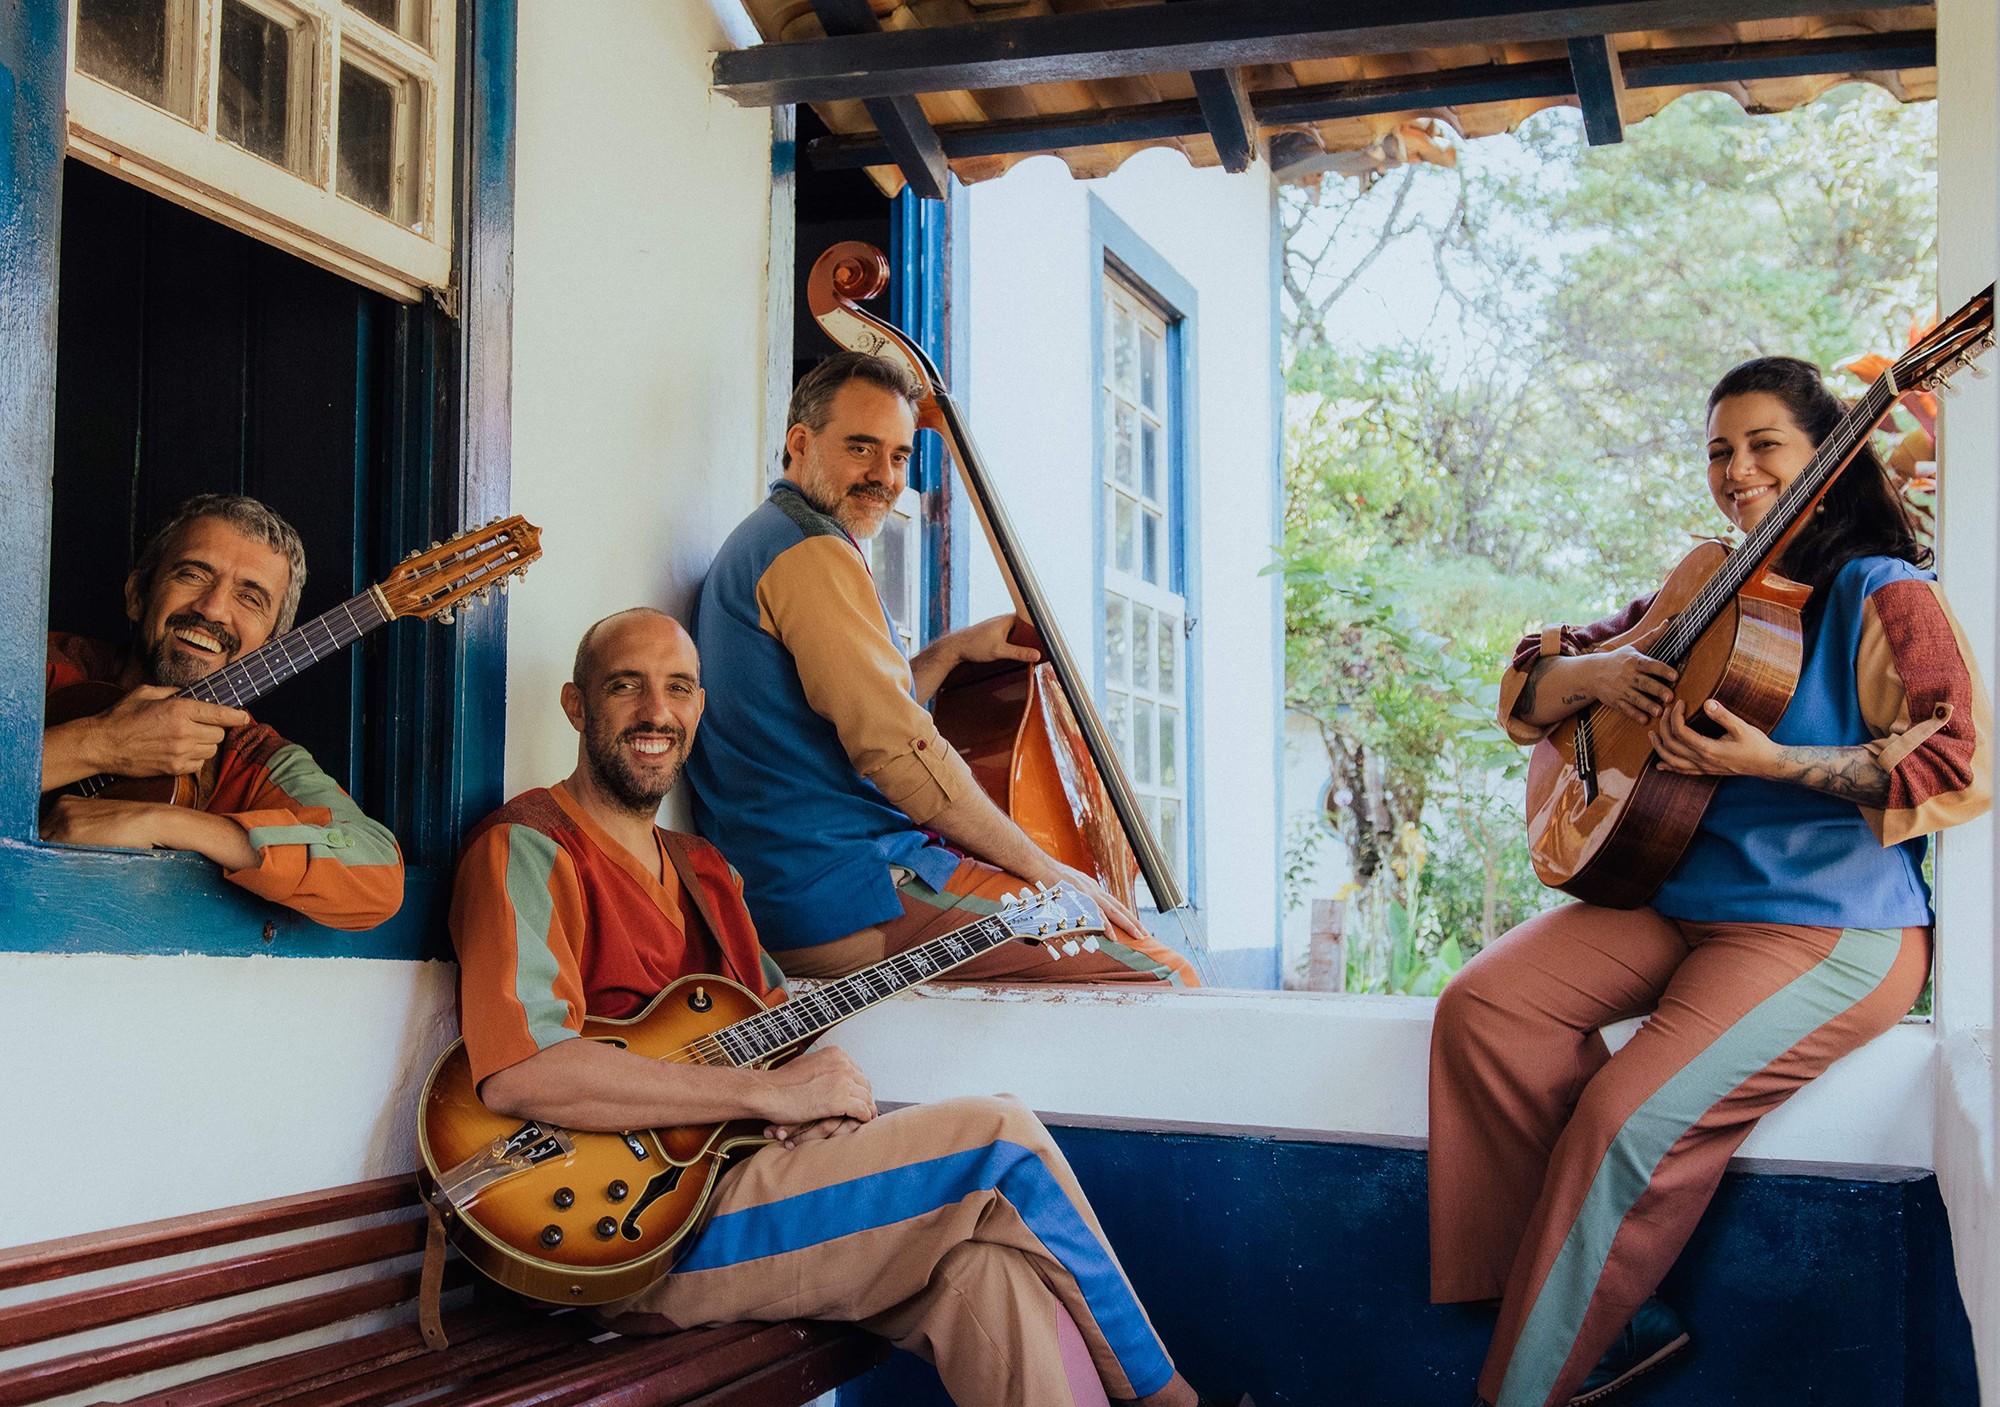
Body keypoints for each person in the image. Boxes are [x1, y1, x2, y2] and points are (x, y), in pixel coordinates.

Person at [447, 608, 1245, 1407]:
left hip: (744, 1182)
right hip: (628, 1237)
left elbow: (770, 1039)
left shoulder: (705, 870)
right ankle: (1171, 1399)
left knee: (989, 1274)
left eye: (680, 688)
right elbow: (524, 1073)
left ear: (697, 709)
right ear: (577, 707)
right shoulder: (528, 847)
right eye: (627, 686)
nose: (657, 710)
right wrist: (766, 1094)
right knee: (1002, 1136)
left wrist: (808, 1090)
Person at [1429, 356, 1991, 1407]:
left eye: (1761, 444)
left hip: (1824, 931)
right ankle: (1607, 1315)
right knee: (1483, 1008)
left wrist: (1770, 764)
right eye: (1717, 451)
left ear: (1825, 455)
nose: (1735, 470)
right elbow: (1529, 683)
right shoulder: (1701, 584)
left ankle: (1524, 1385)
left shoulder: (1885, 591)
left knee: (1621, 1123)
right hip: (1672, 902)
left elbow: (1951, 762)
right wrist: (1589, 676)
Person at [687, 351, 1197, 986]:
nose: (885, 476)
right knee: (1167, 975)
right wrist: (1046, 869)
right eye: (860, 448)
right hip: (848, 888)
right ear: (800, 443)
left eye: (900, 456)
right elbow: (898, 750)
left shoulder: (770, 540)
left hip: (801, 882)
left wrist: (947, 653)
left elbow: (844, 721)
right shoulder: (810, 552)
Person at [39, 494, 403, 931]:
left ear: (271, 648)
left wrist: (165, 821)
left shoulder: (255, 759)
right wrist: (102, 745)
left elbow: (378, 878)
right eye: (193, 574)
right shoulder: (37, 665)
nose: (212, 608)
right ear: (137, 595)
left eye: (250, 598)